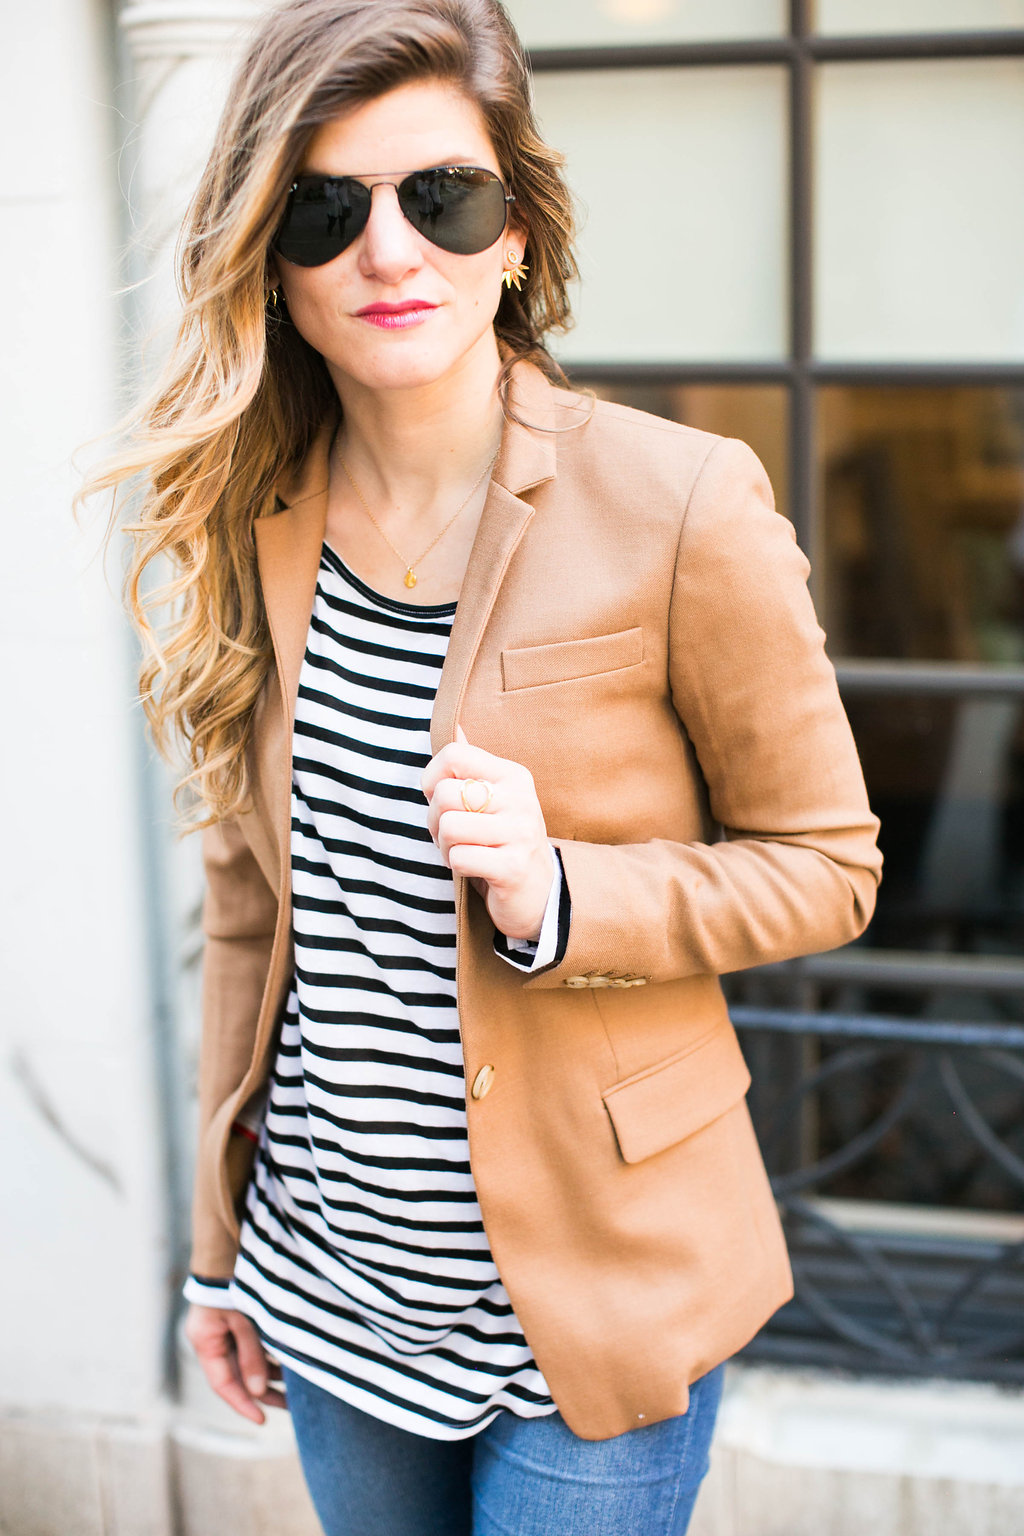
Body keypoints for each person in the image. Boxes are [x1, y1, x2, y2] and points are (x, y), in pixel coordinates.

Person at [91, 0, 882, 1530]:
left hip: (591, 1304)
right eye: (327, 211)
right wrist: (216, 1250)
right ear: (274, 261)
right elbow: (251, 926)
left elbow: (831, 865)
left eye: (439, 198)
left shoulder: (680, 501)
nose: (390, 253)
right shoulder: (248, 528)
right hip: (331, 1295)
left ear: (515, 231)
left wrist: (565, 890)